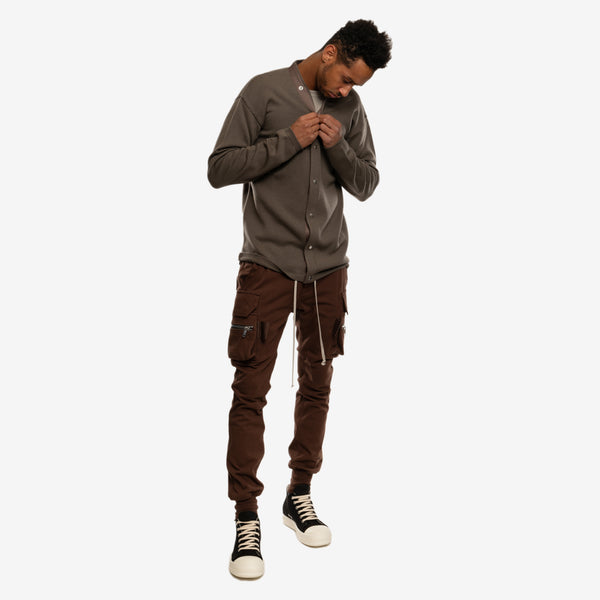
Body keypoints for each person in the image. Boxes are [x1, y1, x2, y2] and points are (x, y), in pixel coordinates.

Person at [207, 19, 392, 579]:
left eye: (356, 85)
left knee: (318, 383)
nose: (346, 90)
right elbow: (219, 168)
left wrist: (338, 147)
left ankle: (299, 493)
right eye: (345, 77)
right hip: (265, 267)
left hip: (328, 272)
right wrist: (288, 140)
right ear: (329, 52)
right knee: (250, 389)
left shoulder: (351, 109)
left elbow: (367, 183)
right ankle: (246, 516)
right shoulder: (262, 90)